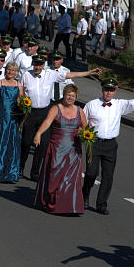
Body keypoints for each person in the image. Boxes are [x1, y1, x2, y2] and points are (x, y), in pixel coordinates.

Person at [81, 77, 134, 214]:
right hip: (94, 143)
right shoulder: (91, 105)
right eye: (106, 89)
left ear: (115, 91)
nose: (108, 92)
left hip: (110, 145)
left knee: (108, 176)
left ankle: (101, 204)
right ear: (102, 89)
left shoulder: (119, 104)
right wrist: (83, 136)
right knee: (91, 173)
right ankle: (84, 195)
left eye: (111, 90)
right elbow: (82, 122)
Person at [32, 84, 88, 215]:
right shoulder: (56, 108)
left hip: (74, 150)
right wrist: (38, 133)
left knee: (70, 179)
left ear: (76, 97)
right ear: (64, 95)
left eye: (73, 96)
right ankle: (52, 203)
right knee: (55, 177)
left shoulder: (79, 110)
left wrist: (83, 135)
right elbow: (47, 122)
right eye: (68, 95)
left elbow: (85, 126)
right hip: (57, 148)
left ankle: (68, 206)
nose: (70, 98)